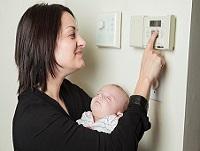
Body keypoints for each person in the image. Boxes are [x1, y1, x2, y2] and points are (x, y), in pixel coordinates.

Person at [12, 3, 165, 151]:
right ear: (45, 43)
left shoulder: (67, 92)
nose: (83, 42)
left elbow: (123, 131)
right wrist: (145, 78)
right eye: (72, 35)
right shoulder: (35, 120)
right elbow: (118, 146)